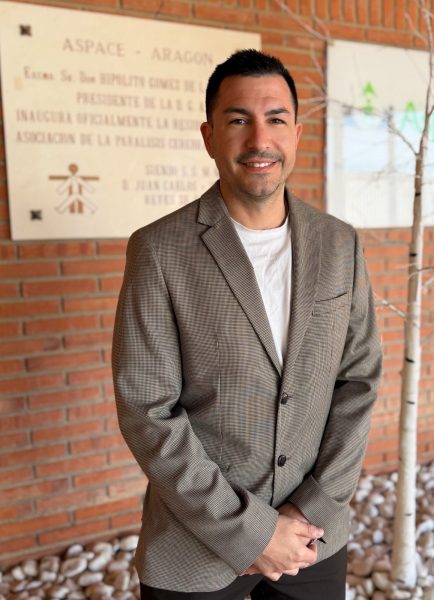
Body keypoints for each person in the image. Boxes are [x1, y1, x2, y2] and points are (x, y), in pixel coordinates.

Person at [112, 49, 382, 600]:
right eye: (239, 120)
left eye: (276, 119)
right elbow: (147, 410)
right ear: (209, 136)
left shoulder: (340, 244)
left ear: (296, 134)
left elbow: (358, 381)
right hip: (196, 547)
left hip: (313, 537)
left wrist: (312, 508)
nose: (260, 139)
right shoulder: (159, 250)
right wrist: (254, 533)